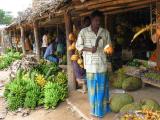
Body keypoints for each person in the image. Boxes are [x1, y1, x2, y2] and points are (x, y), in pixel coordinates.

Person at [76, 10, 111, 119]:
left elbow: (108, 46)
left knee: (102, 89)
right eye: (96, 20)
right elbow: (78, 46)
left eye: (99, 21)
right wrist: (90, 49)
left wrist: (109, 49)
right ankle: (94, 110)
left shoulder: (105, 32)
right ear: (91, 20)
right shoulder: (83, 32)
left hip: (101, 65)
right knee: (92, 90)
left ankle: (102, 110)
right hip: (90, 66)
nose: (98, 22)